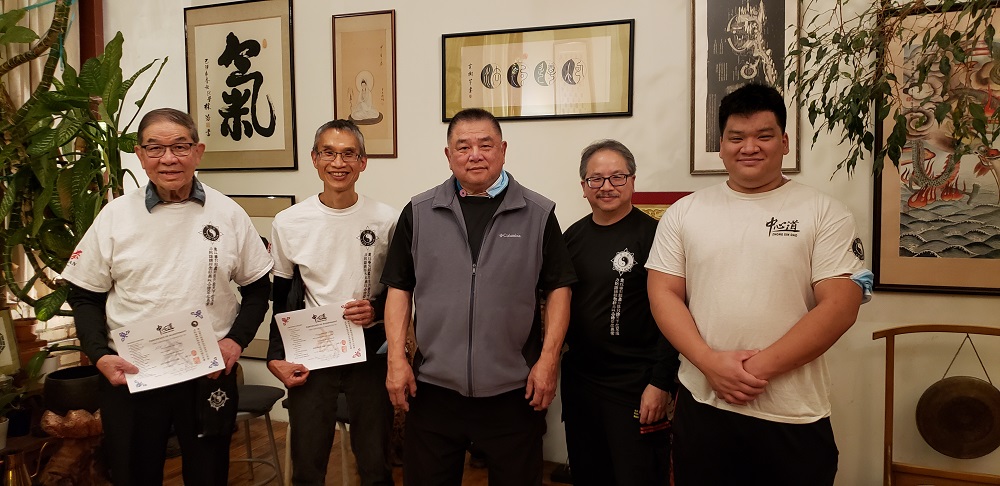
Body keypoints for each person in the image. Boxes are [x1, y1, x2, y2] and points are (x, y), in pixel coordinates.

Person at [645, 83, 873, 485]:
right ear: (721, 145)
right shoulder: (685, 212)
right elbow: (663, 293)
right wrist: (709, 363)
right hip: (703, 405)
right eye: (736, 137)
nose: (749, 147)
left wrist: (753, 371)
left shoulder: (825, 212)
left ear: (784, 142)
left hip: (791, 415)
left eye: (763, 136)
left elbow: (840, 306)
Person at [63, 108, 273, 485]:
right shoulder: (114, 216)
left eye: (180, 146)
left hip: (207, 371)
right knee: (133, 474)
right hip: (132, 373)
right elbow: (84, 294)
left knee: (208, 474)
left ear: (198, 152)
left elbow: (258, 287)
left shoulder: (228, 213)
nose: (168, 158)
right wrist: (99, 355)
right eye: (155, 148)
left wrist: (235, 341)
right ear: (140, 154)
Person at [380, 108, 577, 485]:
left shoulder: (537, 213)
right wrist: (396, 360)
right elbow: (399, 288)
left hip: (513, 391)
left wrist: (549, 360)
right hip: (433, 388)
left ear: (503, 150)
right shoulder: (419, 212)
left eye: (485, 145)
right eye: (463, 146)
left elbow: (559, 289)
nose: (475, 155)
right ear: (448, 154)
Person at [266, 120, 396, 485]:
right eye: (328, 153)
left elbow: (401, 289)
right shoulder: (289, 222)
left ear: (362, 162)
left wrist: (376, 310)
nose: (338, 163)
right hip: (312, 350)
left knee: (375, 460)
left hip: (369, 348)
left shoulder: (386, 219)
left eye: (348, 154)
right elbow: (282, 296)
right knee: (308, 461)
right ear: (314, 159)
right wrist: (276, 356)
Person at [561, 140, 679, 486]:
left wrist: (660, 382)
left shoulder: (655, 237)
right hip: (581, 382)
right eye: (596, 179)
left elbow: (675, 314)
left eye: (617, 177)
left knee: (637, 476)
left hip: (636, 383)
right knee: (588, 474)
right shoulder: (571, 238)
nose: (607, 186)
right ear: (584, 186)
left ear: (632, 181)